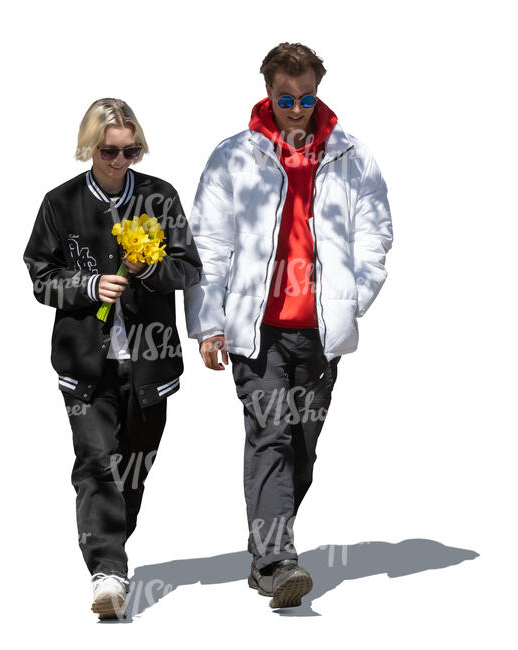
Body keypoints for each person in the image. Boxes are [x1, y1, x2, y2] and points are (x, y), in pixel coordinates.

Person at [184, 43, 393, 609]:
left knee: (303, 446)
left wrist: (352, 301)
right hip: (259, 329)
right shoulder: (234, 157)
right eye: (285, 98)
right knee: (270, 436)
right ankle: (279, 563)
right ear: (267, 92)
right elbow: (208, 245)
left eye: (306, 98)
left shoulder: (351, 155)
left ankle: (264, 554)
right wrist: (209, 325)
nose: (296, 109)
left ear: (317, 91)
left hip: (322, 331)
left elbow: (376, 236)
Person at [23, 98, 202, 619]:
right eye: (110, 151)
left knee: (133, 469)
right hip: (85, 364)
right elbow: (39, 276)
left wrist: (149, 268)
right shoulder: (60, 204)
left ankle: (113, 551)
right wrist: (86, 285)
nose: (122, 160)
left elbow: (188, 267)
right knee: (97, 465)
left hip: (151, 363)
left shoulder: (159, 196)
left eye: (132, 150)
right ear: (89, 148)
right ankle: (107, 573)